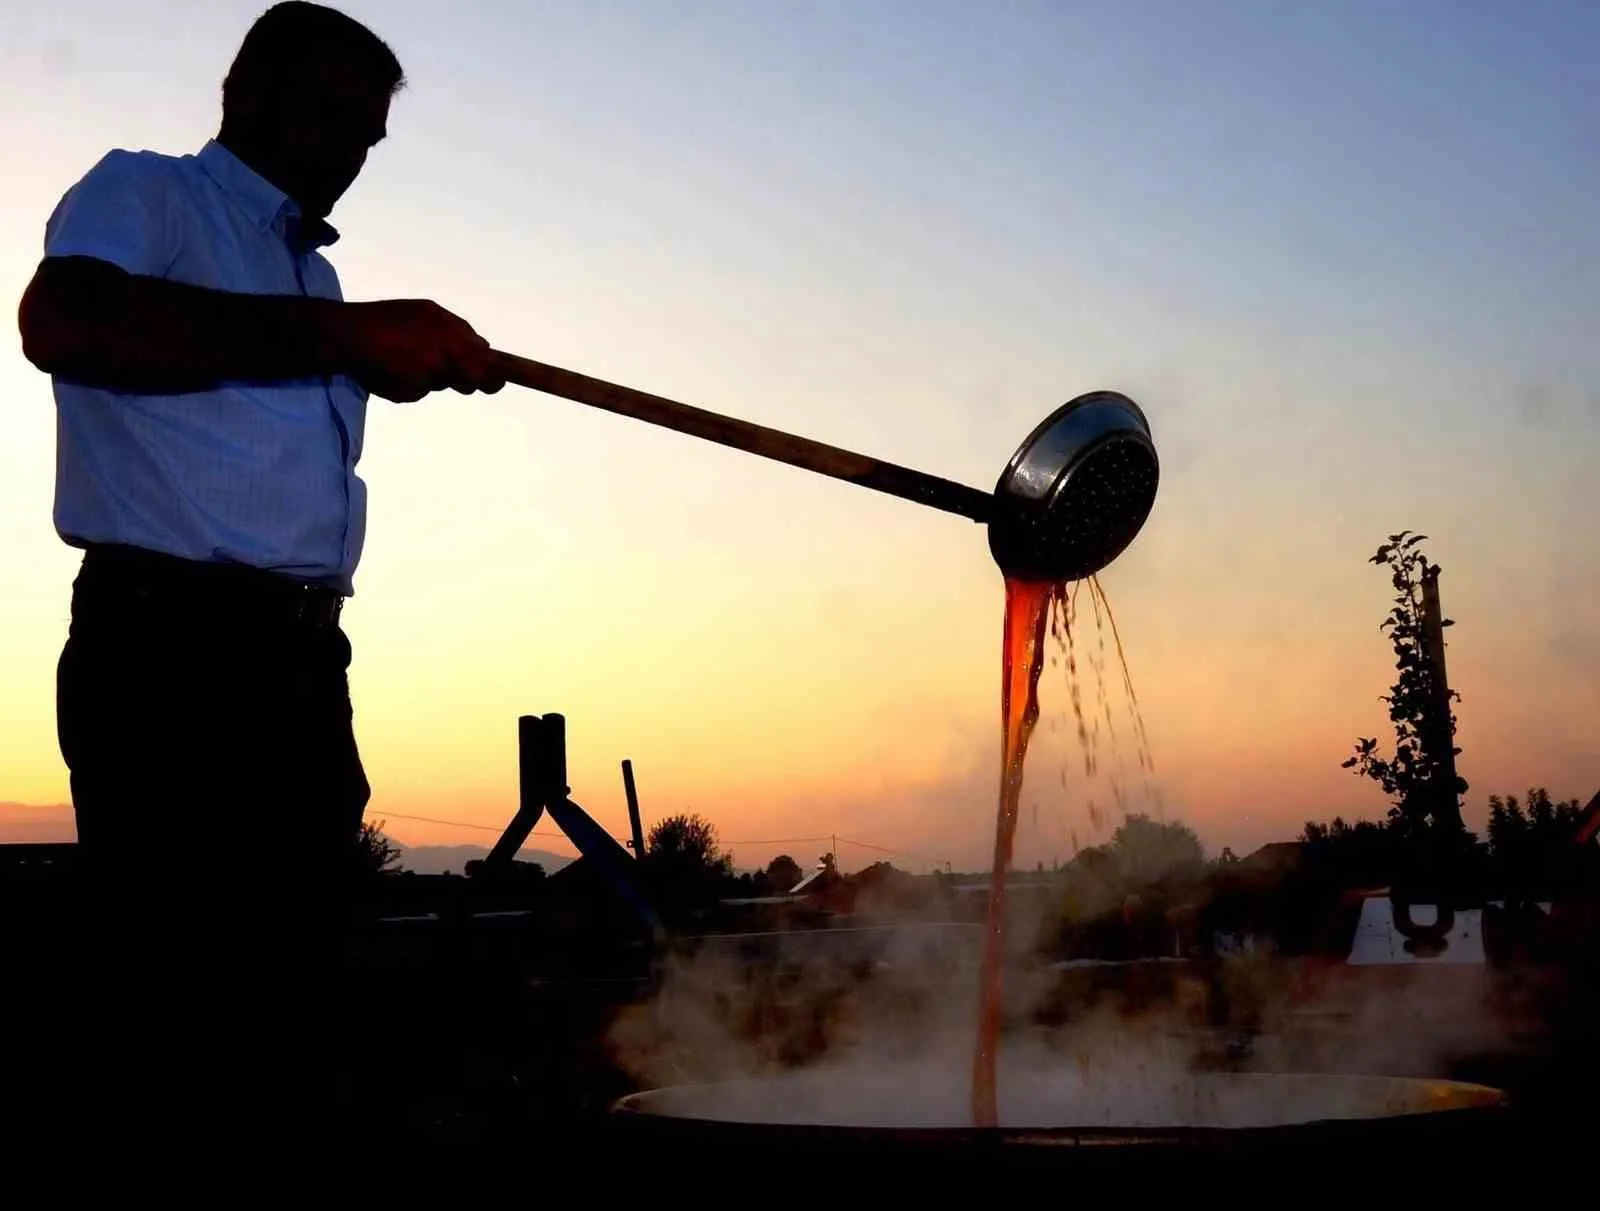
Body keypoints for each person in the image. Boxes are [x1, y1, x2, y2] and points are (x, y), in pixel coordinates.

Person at [15, 2, 501, 1165]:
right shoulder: (151, 192)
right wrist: (344, 342)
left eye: (367, 139)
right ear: (243, 91)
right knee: (182, 1006)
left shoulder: (307, 278)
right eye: (330, 116)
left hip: (296, 664)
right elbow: (65, 320)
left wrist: (363, 345)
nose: (347, 156)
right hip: (170, 653)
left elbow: (259, 380)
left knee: (292, 996)